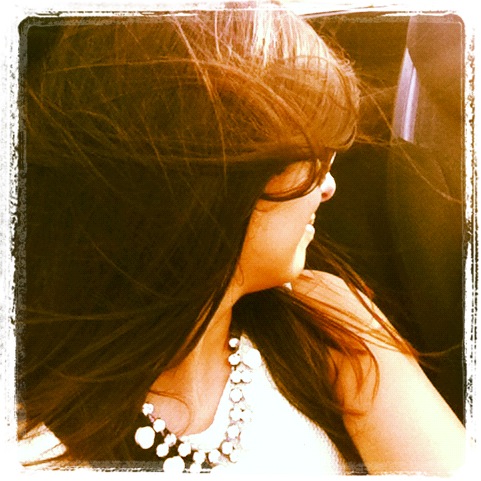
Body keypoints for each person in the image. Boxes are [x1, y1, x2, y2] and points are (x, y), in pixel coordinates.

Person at [17, 1, 466, 475]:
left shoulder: (327, 322)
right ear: (214, 187)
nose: (329, 186)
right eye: (310, 160)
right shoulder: (29, 433)